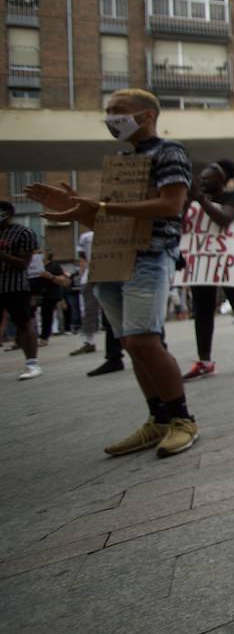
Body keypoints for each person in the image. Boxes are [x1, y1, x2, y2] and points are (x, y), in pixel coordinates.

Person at [25, 88, 198, 456]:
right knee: (130, 343)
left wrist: (100, 207)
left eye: (118, 111)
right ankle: (158, 420)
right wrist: (76, 208)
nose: (110, 118)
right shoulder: (122, 161)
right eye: (108, 111)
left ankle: (182, 419)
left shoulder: (170, 151)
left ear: (147, 115)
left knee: (144, 341)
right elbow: (108, 219)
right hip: (112, 257)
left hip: (150, 255)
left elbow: (171, 205)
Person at [183, 160, 234, 379]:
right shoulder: (195, 200)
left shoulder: (233, 198)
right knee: (202, 308)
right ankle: (205, 360)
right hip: (203, 260)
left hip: (230, 259)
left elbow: (224, 219)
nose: (203, 181)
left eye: (208, 178)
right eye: (201, 179)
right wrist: (189, 200)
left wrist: (199, 200)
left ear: (222, 180)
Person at [0, 201, 41, 380]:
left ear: (7, 213)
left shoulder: (23, 233)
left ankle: (32, 364)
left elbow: (23, 264)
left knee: (23, 323)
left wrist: (2, 255)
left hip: (14, 286)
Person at [70, 228, 102, 355]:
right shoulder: (87, 236)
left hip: (92, 275)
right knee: (90, 310)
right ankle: (89, 342)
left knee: (89, 310)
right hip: (96, 275)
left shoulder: (86, 236)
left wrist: (84, 275)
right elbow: (82, 259)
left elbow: (82, 259)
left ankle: (89, 342)